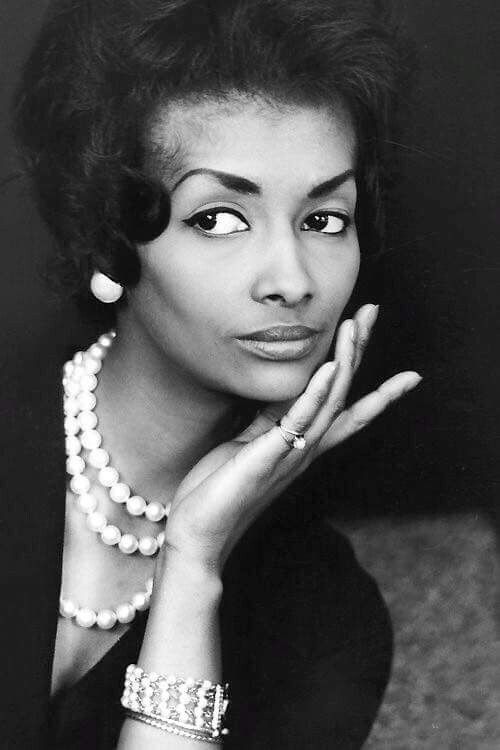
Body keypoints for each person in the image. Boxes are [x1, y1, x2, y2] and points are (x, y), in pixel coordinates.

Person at [2, 0, 420, 747]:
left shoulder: (327, 622)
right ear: (104, 248)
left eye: (325, 219)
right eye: (220, 218)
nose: (293, 280)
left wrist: (191, 568)